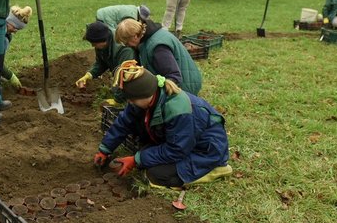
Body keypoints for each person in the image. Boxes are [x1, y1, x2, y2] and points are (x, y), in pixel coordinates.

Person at [93, 61, 231, 189]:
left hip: (205, 150)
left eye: (132, 100)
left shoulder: (178, 110)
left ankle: (216, 168)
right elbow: (124, 122)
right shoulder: (146, 98)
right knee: (146, 157)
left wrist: (135, 160)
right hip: (182, 142)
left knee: (155, 175)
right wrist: (105, 149)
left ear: (144, 96)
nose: (130, 103)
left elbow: (177, 149)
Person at [115, 18, 202, 95]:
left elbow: (173, 77)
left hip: (185, 86)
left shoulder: (158, 47)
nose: (127, 46)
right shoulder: (143, 40)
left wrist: (154, 95)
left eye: (126, 43)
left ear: (134, 37)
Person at [75, 21, 137, 103]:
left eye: (94, 43)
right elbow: (101, 62)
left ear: (103, 41)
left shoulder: (124, 49)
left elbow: (126, 76)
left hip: (135, 78)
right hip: (120, 73)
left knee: (127, 98)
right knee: (115, 90)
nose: (92, 46)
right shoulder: (102, 44)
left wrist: (117, 100)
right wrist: (90, 74)